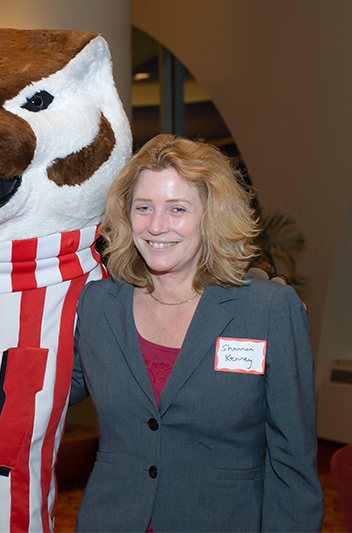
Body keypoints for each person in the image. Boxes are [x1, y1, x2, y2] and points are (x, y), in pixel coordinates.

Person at [70, 134, 323, 531]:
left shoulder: (267, 309)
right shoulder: (98, 304)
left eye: (177, 209)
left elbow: (293, 463)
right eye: (144, 207)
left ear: (210, 214)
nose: (156, 226)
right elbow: (40, 396)